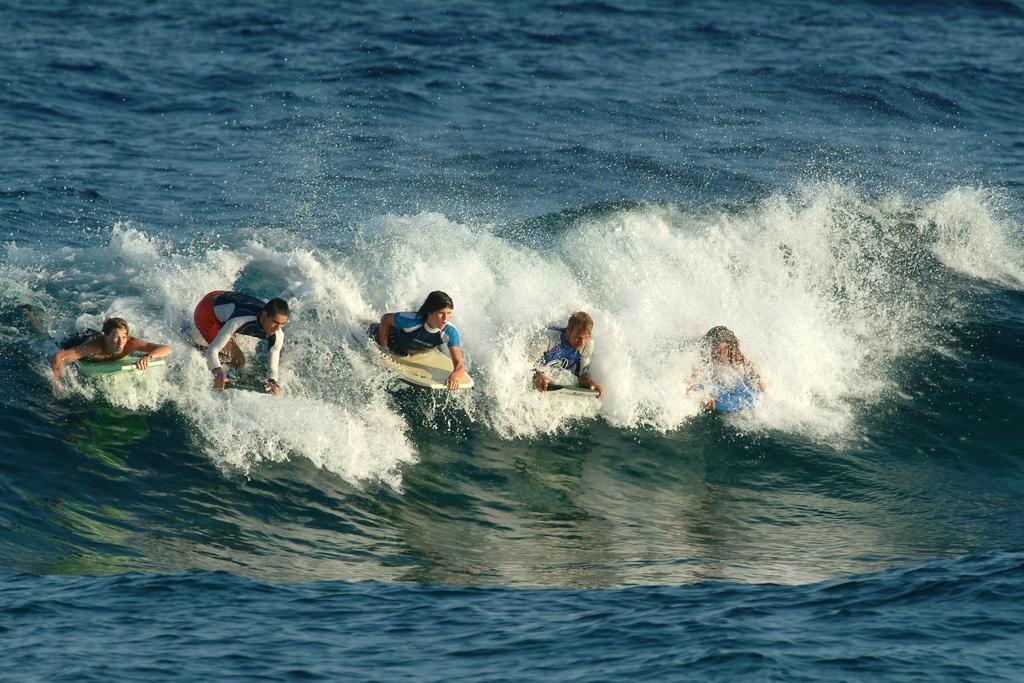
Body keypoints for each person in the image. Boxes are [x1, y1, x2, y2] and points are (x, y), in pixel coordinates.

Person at [192, 291, 289, 396]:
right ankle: (195, 353)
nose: (277, 328)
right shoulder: (239, 320)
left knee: (228, 342)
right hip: (206, 312)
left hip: (223, 299)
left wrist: (273, 382)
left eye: (282, 324)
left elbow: (273, 367)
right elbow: (213, 350)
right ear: (265, 316)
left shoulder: (278, 334)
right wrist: (219, 373)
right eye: (275, 322)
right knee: (239, 360)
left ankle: (225, 371)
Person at [372, 290, 466, 390]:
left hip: (410, 351)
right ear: (430, 311)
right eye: (441, 313)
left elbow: (459, 366)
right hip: (378, 337)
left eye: (449, 313)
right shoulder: (412, 321)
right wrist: (384, 348)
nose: (445, 319)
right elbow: (385, 319)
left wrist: (455, 377)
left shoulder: (450, 332)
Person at [49, 315, 172, 382]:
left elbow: (166, 349)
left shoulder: (131, 343)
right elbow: (58, 356)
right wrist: (57, 383)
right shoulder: (94, 348)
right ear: (106, 336)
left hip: (101, 335)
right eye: (115, 338)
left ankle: (108, 322)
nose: (121, 343)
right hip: (84, 338)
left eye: (124, 337)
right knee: (55, 341)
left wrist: (148, 356)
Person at [532, 311, 605, 398]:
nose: (582, 343)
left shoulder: (588, 345)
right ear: (568, 331)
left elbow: (583, 375)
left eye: (586, 338)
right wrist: (537, 375)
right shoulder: (547, 338)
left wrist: (591, 383)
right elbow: (525, 364)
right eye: (578, 337)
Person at [691, 326, 763, 410]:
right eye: (718, 351)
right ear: (710, 349)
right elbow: (691, 382)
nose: (723, 354)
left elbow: (752, 371)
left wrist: (761, 387)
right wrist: (704, 397)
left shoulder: (734, 354)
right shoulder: (703, 357)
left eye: (725, 349)